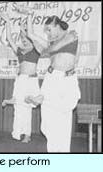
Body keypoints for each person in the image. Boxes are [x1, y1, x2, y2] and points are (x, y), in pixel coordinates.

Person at [18, 6, 80, 152]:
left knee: (64, 114)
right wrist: (29, 15)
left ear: (57, 26)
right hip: (52, 78)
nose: (47, 34)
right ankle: (43, 99)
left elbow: (49, 50)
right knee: (48, 123)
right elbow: (32, 35)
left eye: (49, 30)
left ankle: (42, 98)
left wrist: (44, 47)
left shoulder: (71, 35)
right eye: (45, 31)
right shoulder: (53, 41)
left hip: (66, 80)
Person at [0, 12, 41, 143]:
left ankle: (27, 135)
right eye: (22, 37)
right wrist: (7, 21)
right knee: (18, 107)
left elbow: (31, 34)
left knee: (27, 107)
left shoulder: (36, 49)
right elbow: (9, 38)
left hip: (31, 80)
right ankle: (17, 132)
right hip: (20, 80)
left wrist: (26, 28)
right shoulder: (19, 50)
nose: (23, 39)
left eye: (26, 37)